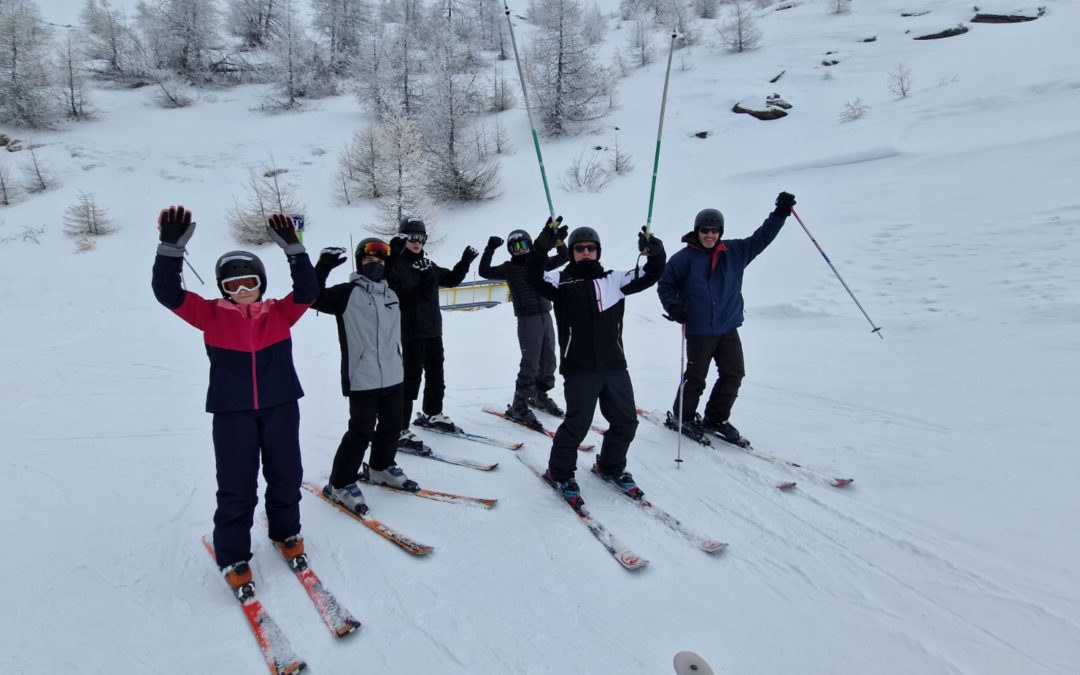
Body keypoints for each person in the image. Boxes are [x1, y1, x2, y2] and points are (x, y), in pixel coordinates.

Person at [152, 206, 317, 596]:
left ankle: (286, 531)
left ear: (261, 283)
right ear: (222, 289)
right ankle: (233, 553)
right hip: (231, 412)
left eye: (249, 284)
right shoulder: (210, 315)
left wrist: (295, 249)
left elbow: (309, 291)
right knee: (236, 484)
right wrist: (169, 250)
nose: (242, 293)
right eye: (233, 287)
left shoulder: (280, 313)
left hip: (280, 405)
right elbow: (167, 293)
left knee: (286, 473)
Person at [525, 218, 666, 506]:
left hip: (614, 366)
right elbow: (531, 275)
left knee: (626, 422)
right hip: (579, 368)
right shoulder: (560, 280)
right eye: (579, 249)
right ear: (573, 252)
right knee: (577, 424)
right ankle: (559, 473)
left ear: (598, 251)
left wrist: (655, 251)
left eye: (591, 248)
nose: (585, 252)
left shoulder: (614, 279)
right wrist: (543, 243)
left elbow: (652, 273)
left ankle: (610, 466)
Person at [657, 192, 797, 446]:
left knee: (734, 373)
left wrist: (779, 214)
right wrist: (674, 306)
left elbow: (762, 237)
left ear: (720, 231)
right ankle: (682, 417)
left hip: (728, 325)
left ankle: (715, 418)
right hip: (700, 328)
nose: (710, 235)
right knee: (696, 377)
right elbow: (665, 285)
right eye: (705, 230)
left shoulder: (735, 251)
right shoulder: (684, 258)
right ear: (697, 231)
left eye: (714, 230)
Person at [312, 239, 419, 516]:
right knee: (360, 431)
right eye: (369, 261)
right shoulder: (347, 294)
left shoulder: (393, 294)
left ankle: (381, 467)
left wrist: (414, 264)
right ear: (359, 264)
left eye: (380, 262)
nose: (375, 266)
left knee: (392, 425)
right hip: (362, 377)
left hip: (394, 374)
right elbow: (310, 295)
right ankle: (340, 483)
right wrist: (322, 267)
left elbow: (421, 292)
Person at [386, 217, 479, 449]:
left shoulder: (427, 264)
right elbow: (394, 288)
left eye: (421, 238)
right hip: (410, 331)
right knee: (410, 380)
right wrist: (392, 254)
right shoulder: (396, 266)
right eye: (411, 238)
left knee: (436, 374)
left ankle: (432, 413)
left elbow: (452, 280)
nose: (417, 242)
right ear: (403, 239)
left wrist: (465, 262)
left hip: (433, 329)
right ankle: (398, 428)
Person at [478, 228, 568, 429]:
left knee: (549, 360)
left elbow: (564, 257)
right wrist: (490, 249)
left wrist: (559, 240)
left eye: (523, 245)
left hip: (546, 314)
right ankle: (519, 405)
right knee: (531, 362)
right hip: (528, 319)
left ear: (529, 245)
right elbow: (484, 271)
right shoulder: (508, 268)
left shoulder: (539, 262)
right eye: (514, 247)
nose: (519, 250)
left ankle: (539, 394)